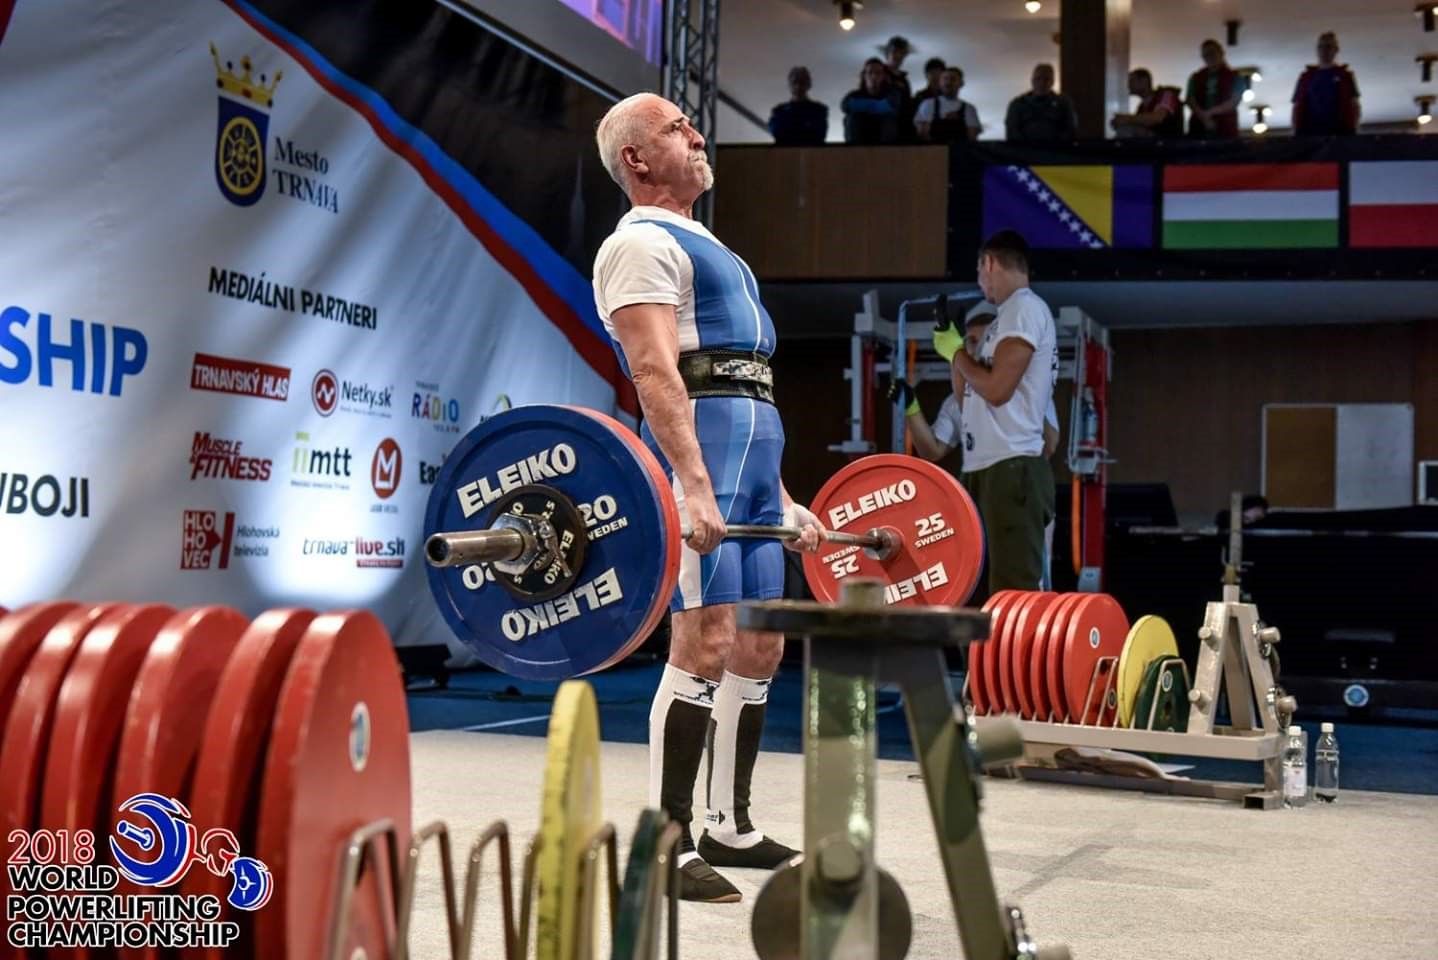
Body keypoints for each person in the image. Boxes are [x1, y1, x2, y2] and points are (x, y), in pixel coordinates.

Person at [591, 93, 823, 903]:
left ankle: (731, 824)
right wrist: (692, 487)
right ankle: (665, 842)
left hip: (753, 470)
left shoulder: (715, 248)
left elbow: (746, 387)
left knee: (760, 645)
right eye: (675, 128)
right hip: (701, 471)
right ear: (637, 160)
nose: (696, 133)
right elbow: (657, 374)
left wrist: (784, 498)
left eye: (692, 123)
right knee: (705, 640)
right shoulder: (639, 245)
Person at [949, 232, 1058, 594]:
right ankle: (980, 654)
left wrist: (957, 354)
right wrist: (957, 355)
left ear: (989, 263)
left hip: (1013, 466)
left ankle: (1019, 653)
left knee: (1012, 593)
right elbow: (970, 402)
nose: (981, 285)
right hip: (985, 464)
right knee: (974, 589)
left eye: (980, 272)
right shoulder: (1003, 318)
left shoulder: (1024, 308)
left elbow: (997, 391)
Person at [1292, 32, 1361, 136]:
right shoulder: (1306, 77)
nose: (1324, 51)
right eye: (1321, 47)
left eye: (1328, 47)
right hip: (1310, 132)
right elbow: (1297, 106)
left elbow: (1354, 105)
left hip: (1340, 133)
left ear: (1336, 50)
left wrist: (1353, 131)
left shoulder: (1345, 76)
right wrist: (1296, 132)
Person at [1185, 39, 1246, 139]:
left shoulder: (1236, 77)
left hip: (1226, 130)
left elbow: (1234, 101)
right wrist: (1204, 117)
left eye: (1212, 52)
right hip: (1198, 130)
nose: (1209, 57)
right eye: (1205, 55)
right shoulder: (1195, 77)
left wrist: (1208, 113)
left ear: (1221, 53)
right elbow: (1190, 100)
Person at [1004, 63, 1078, 142]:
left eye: (1046, 79)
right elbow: (1012, 132)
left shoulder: (1063, 104)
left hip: (1055, 150)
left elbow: (1070, 130)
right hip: (1026, 151)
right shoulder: (1018, 104)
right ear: (1032, 81)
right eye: (1038, 79)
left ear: (1052, 81)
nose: (1042, 83)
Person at [841, 58, 905, 144]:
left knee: (888, 119)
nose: (874, 76)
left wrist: (859, 106)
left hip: (885, 144)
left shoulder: (892, 94)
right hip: (859, 141)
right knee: (853, 118)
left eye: (878, 73)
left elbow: (888, 106)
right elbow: (844, 106)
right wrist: (878, 107)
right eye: (870, 72)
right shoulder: (854, 95)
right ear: (864, 75)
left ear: (883, 76)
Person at [1111, 68, 1184, 139]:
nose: (1128, 85)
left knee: (1127, 129)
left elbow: (1157, 118)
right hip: (1154, 144)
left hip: (1169, 144)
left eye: (1131, 80)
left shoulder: (1166, 95)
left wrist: (1127, 119)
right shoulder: (1142, 107)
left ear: (1144, 81)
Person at [915, 67, 981, 143]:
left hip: (960, 152)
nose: (948, 82)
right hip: (933, 151)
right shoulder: (927, 104)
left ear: (961, 83)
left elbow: (972, 137)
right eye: (945, 78)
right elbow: (922, 133)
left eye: (953, 79)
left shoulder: (969, 109)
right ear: (940, 82)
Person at [769, 66, 829, 146]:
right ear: (789, 85)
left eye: (802, 82)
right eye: (795, 82)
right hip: (785, 154)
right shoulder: (779, 110)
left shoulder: (819, 110)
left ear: (809, 84)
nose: (798, 86)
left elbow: (818, 135)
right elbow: (777, 132)